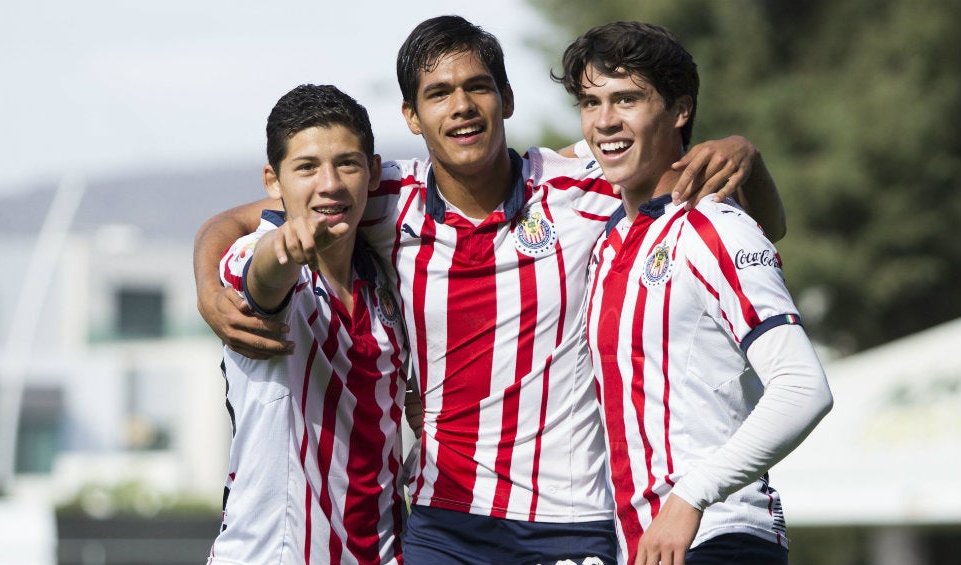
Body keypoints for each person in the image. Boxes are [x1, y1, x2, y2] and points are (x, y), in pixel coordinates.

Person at [194, 16, 785, 565]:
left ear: (506, 99)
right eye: (438, 93)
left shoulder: (584, 185)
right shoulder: (381, 196)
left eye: (477, 87)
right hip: (441, 521)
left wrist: (747, 159)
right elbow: (247, 219)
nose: (461, 108)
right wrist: (207, 283)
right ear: (411, 115)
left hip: (570, 519)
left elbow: (764, 225)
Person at [553, 21, 833, 565]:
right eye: (590, 102)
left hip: (721, 536)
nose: (605, 120)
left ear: (680, 111)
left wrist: (689, 496)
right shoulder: (609, 234)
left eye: (627, 99)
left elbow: (804, 387)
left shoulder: (713, 227)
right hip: (642, 546)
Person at [205, 84, 408, 565]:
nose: (330, 183)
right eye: (307, 167)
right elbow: (262, 278)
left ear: (373, 172)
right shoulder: (261, 258)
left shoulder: (382, 278)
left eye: (348, 164)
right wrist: (283, 250)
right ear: (273, 181)